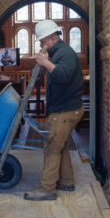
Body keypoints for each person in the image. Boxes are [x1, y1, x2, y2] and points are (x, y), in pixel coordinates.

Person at [24, 19, 84, 201]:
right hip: (66, 109)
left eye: (42, 41)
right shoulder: (58, 53)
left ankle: (47, 189)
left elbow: (64, 76)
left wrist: (45, 62)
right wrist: (45, 63)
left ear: (51, 38)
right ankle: (66, 181)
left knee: (51, 148)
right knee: (61, 145)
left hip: (65, 111)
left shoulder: (65, 53)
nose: (41, 45)